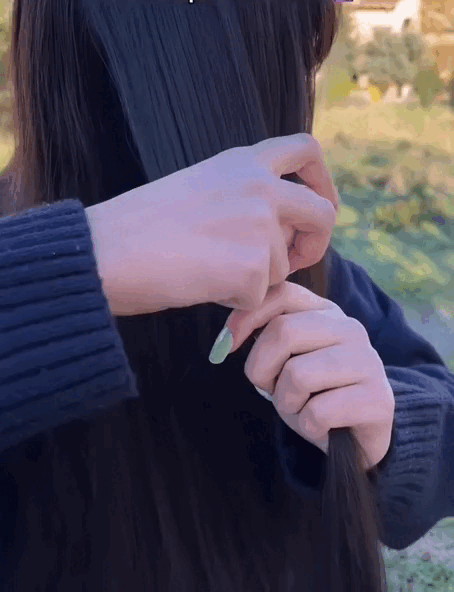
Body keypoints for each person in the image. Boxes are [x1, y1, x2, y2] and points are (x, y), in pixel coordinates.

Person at [0, 1, 453, 591]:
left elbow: (441, 418)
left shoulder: (298, 272)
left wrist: (390, 430)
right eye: (302, 63)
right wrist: (79, 260)